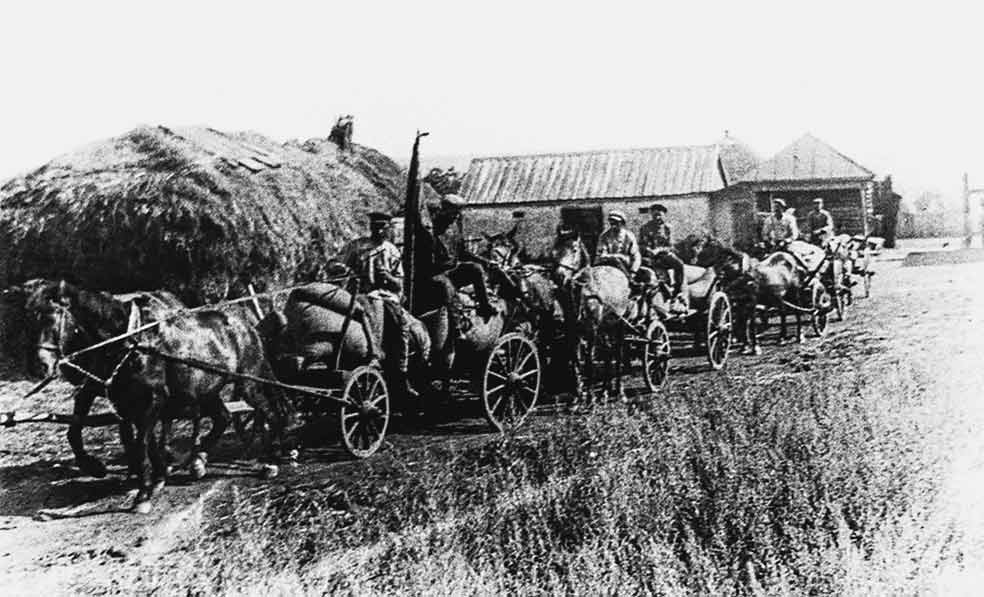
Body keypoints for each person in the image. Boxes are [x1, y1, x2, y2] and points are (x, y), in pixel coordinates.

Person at [337, 212, 416, 397]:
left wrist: (387, 277)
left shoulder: (391, 250)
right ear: (370, 227)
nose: (379, 230)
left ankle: (401, 373)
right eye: (375, 227)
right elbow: (335, 263)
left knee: (402, 326)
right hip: (359, 294)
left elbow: (400, 283)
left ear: (388, 228)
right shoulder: (357, 246)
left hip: (386, 296)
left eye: (383, 227)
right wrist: (346, 269)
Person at [413, 194, 497, 338]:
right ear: (443, 209)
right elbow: (425, 262)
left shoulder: (454, 227)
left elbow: (463, 252)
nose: (456, 216)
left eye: (458, 212)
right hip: (432, 274)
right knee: (446, 286)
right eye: (453, 212)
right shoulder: (430, 229)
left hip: (450, 270)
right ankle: (456, 326)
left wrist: (484, 262)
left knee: (475, 268)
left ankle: (484, 306)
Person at [638, 203, 688, 312]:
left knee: (679, 264)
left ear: (664, 215)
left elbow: (670, 246)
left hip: (664, 255)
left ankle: (677, 291)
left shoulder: (667, 228)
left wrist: (659, 250)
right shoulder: (645, 228)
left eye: (659, 215)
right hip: (650, 257)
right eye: (655, 215)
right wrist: (647, 250)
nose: (657, 217)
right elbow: (641, 244)